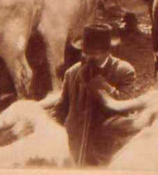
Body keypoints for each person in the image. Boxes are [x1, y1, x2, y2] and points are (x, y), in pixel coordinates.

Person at [50, 23, 137, 166]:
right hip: (75, 146)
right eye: (85, 52)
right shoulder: (72, 72)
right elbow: (60, 108)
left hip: (107, 147)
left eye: (94, 53)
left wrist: (101, 84)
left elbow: (125, 106)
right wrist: (54, 131)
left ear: (107, 51)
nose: (88, 57)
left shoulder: (123, 71)